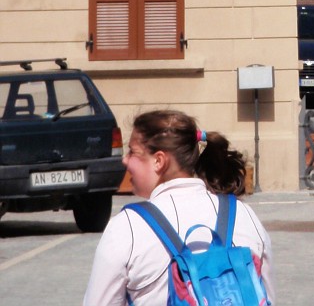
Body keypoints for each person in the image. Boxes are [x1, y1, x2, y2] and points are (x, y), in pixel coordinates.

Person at [83, 108, 275, 306]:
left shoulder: (127, 228)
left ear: (159, 160)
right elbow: (266, 297)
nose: (125, 159)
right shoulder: (244, 215)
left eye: (132, 152)